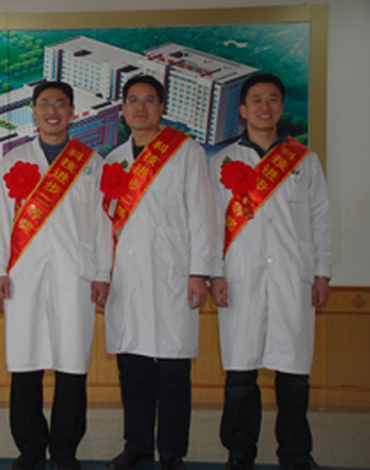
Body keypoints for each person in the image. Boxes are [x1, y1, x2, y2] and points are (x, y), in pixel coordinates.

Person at [208, 73, 332, 470]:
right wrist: (215, 274)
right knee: (240, 375)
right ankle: (239, 452)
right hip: (240, 276)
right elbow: (211, 224)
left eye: (273, 99)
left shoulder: (304, 160)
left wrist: (322, 272)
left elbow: (321, 219)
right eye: (257, 99)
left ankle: (295, 454)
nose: (266, 106)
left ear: (281, 107)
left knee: (293, 375)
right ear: (243, 110)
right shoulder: (222, 161)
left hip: (292, 278)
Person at [0, 81, 113, 470]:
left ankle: (65, 450)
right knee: (25, 363)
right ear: (34, 111)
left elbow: (103, 223)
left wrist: (102, 273)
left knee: (72, 364)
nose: (52, 111)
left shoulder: (92, 162)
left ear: (72, 111)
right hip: (23, 275)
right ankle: (30, 448)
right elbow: (1, 221)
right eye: (45, 104)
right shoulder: (14, 160)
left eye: (60, 104)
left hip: (75, 275)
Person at [102, 75, 215, 470]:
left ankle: (171, 451)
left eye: (149, 100)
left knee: (172, 371)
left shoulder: (186, 152)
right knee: (132, 369)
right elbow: (104, 224)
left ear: (162, 107)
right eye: (133, 100)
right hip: (127, 278)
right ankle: (136, 445)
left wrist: (199, 272)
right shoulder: (114, 160)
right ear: (123, 109)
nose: (140, 108)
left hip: (173, 275)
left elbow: (202, 214)